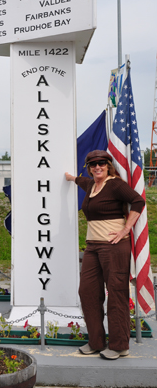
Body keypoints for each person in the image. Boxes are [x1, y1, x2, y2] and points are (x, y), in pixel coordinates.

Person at [65, 150, 145, 360]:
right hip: (92, 247)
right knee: (88, 292)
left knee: (116, 293)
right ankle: (96, 342)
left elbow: (138, 202)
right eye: (92, 164)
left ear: (108, 165)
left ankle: (119, 346)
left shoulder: (115, 184)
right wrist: (71, 178)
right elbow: (80, 180)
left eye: (101, 163)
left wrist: (126, 229)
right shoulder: (91, 185)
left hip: (113, 247)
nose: (97, 167)